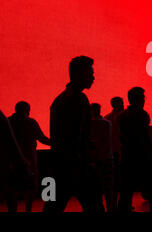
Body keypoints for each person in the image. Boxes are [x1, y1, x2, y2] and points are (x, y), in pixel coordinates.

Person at [44, 56, 103, 212]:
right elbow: (74, 137)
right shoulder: (77, 100)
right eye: (90, 73)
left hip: (59, 166)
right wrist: (87, 162)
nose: (93, 77)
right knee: (95, 206)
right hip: (76, 166)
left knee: (51, 205)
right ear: (78, 74)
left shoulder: (64, 100)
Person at [118, 87, 152, 213]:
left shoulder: (122, 117)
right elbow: (145, 138)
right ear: (138, 99)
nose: (144, 100)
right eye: (143, 97)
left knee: (126, 192)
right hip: (145, 157)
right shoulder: (143, 115)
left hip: (128, 157)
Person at [8, 101, 51, 212]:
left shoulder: (9, 122)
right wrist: (56, 143)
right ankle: (28, 209)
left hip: (12, 160)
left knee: (12, 187)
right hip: (30, 159)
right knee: (30, 187)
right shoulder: (30, 122)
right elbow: (42, 138)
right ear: (28, 110)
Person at [0, 110, 29, 212]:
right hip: (5, 161)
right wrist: (21, 162)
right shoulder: (3, 119)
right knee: (10, 189)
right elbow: (11, 141)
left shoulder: (7, 120)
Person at [90, 103, 114, 212]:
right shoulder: (107, 123)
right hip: (107, 157)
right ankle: (111, 207)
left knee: (95, 186)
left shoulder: (88, 124)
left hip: (94, 159)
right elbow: (108, 141)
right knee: (109, 186)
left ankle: (99, 208)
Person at [105, 96, 124, 210]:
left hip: (114, 152)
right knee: (120, 180)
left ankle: (114, 204)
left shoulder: (108, 119)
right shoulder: (126, 117)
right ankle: (119, 203)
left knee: (116, 180)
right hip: (120, 152)